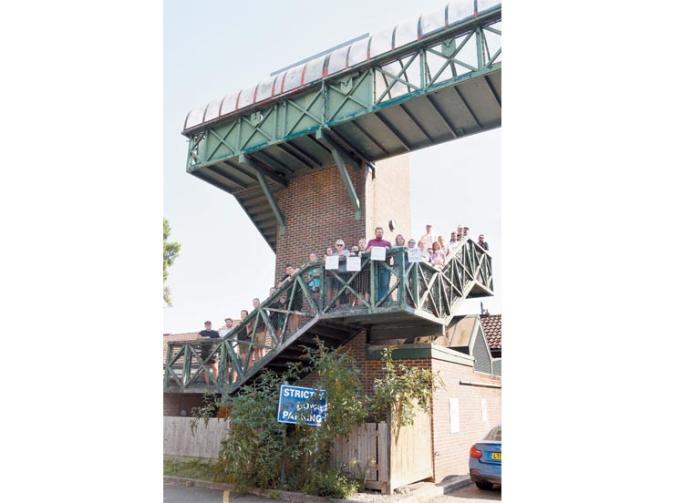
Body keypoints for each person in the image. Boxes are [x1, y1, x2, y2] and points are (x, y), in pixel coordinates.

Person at [367, 227, 392, 303]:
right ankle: (376, 302)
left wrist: (388, 250)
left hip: (385, 267)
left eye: (381, 232)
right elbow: (366, 252)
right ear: (375, 233)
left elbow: (391, 255)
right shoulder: (371, 242)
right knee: (375, 284)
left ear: (383, 233)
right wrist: (369, 249)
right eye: (378, 232)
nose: (379, 233)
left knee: (385, 284)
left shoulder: (387, 243)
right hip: (374, 267)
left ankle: (385, 301)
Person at [198, 321, 220, 385]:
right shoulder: (202, 332)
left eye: (209, 325)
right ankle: (207, 384)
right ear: (205, 326)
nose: (208, 326)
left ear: (211, 325)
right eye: (207, 325)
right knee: (206, 369)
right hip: (205, 352)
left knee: (215, 368)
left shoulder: (215, 332)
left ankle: (215, 383)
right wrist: (205, 337)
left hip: (214, 351)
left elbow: (220, 340)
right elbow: (197, 338)